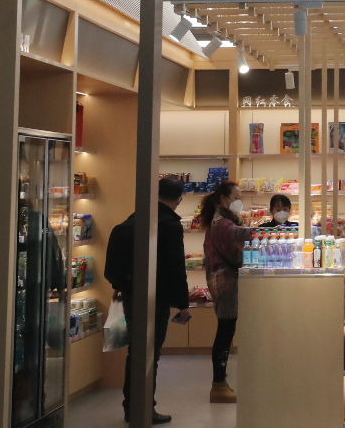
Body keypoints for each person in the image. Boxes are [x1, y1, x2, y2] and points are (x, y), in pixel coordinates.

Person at [104, 176, 192, 425]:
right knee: (150, 354)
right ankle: (144, 408)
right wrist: (183, 305)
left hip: (131, 294)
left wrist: (120, 286)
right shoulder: (170, 225)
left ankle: (132, 407)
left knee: (136, 352)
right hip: (156, 298)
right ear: (179, 199)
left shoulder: (136, 217)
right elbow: (176, 268)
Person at [199, 181, 252, 403]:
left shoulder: (224, 221)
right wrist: (260, 236)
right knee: (225, 332)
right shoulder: (222, 225)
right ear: (224, 199)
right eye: (236, 197)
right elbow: (236, 254)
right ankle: (218, 384)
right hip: (226, 284)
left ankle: (220, 381)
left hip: (224, 282)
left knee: (226, 330)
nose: (239, 201)